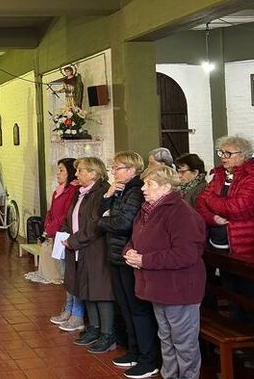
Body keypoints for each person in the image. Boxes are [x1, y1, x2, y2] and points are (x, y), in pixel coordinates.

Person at [124, 165, 206, 379]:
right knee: (167, 338)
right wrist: (130, 251)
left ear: (166, 187)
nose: (143, 188)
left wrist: (144, 260)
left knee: (184, 342)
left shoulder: (181, 213)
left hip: (179, 288)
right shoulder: (148, 210)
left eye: (149, 184)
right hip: (158, 286)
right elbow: (134, 239)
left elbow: (186, 254)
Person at [98, 151, 159, 377]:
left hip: (128, 255)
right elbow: (101, 214)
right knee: (125, 307)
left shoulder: (135, 191)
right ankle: (135, 351)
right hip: (117, 254)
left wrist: (104, 219)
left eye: (118, 167)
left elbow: (123, 223)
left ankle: (147, 357)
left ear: (132, 170)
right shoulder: (122, 190)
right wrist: (108, 196)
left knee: (137, 309)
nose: (114, 172)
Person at [61, 156, 115, 353]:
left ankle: (107, 334)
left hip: (96, 249)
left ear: (93, 173)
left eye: (81, 170)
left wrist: (73, 241)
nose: (76, 174)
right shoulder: (81, 192)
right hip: (80, 249)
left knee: (100, 291)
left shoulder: (101, 191)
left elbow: (94, 224)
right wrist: (65, 232)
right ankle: (94, 328)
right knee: (85, 289)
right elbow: (72, 216)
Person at [196, 135, 254, 255]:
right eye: (221, 153)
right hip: (215, 239)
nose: (223, 157)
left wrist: (210, 199)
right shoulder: (220, 175)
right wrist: (213, 218)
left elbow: (238, 208)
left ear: (243, 155)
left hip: (243, 243)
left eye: (228, 153)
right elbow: (200, 202)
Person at [38, 159, 81, 326]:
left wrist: (52, 229)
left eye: (62, 170)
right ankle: (67, 309)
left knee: (71, 276)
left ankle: (75, 312)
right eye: (58, 170)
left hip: (67, 235)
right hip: (58, 235)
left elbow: (66, 214)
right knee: (65, 275)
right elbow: (51, 211)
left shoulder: (73, 190)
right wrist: (47, 226)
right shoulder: (58, 190)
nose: (58, 173)